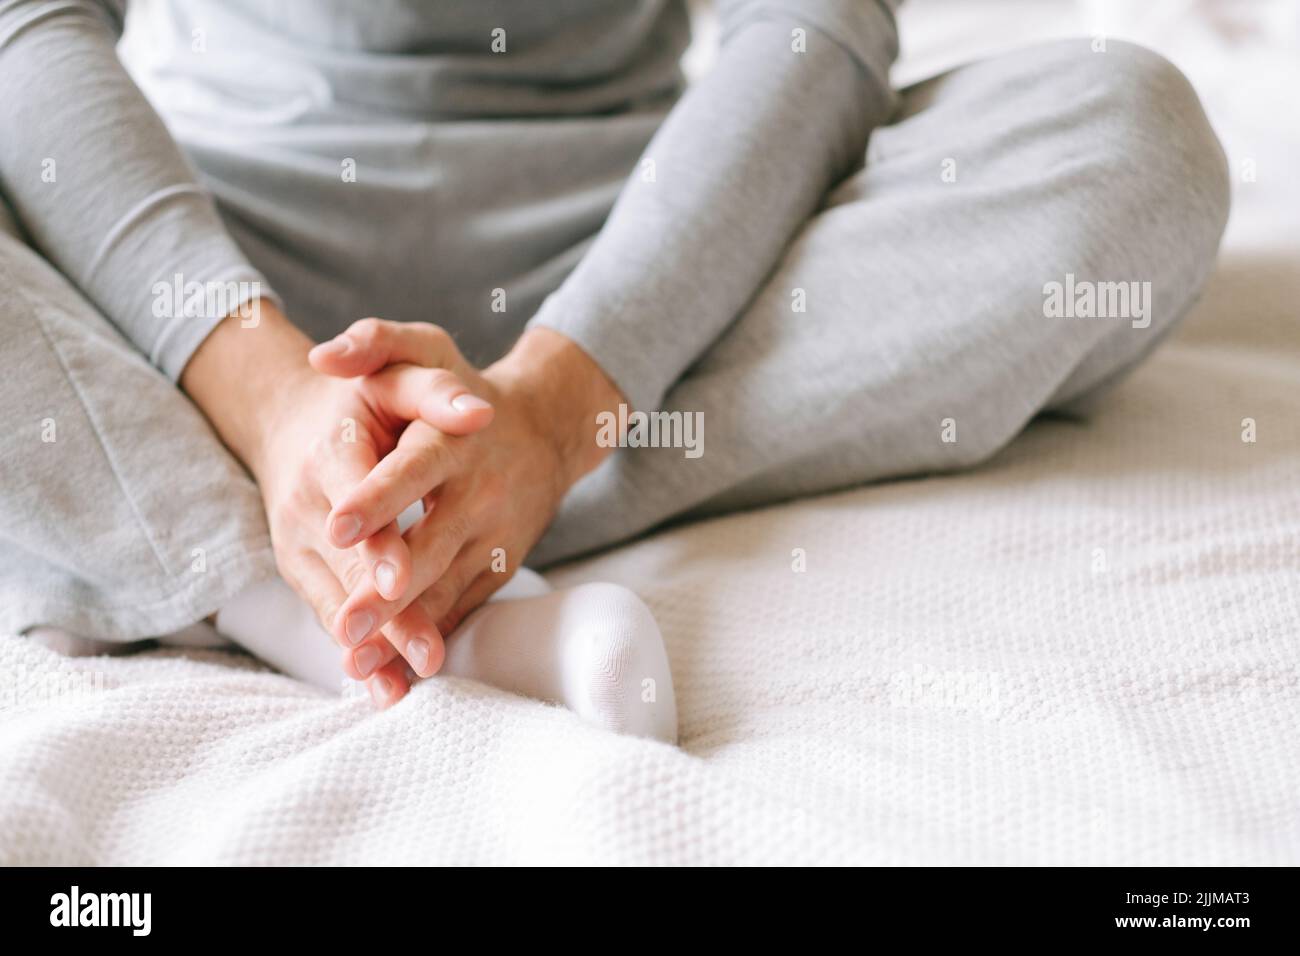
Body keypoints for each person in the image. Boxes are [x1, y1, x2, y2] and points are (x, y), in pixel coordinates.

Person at [0, 1, 1229, 729]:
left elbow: (814, 20)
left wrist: (559, 404)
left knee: (1129, 137)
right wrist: (265, 395)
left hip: (647, 243)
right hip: (210, 268)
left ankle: (427, 515)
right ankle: (317, 590)